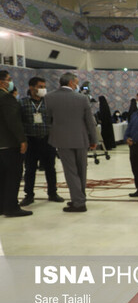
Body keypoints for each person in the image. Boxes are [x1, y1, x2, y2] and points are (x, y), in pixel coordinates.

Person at [46, 72, 98, 213]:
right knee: (81, 170)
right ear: (71, 83)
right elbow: (90, 122)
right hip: (81, 139)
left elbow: (48, 119)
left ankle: (78, 200)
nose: (77, 85)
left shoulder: (49, 97)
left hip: (61, 140)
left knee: (70, 172)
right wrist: (94, 140)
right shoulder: (82, 98)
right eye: (76, 82)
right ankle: (79, 199)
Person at [18, 77, 64, 207]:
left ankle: (53, 193)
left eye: (44, 86)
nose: (43, 89)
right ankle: (29, 195)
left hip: (47, 139)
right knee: (30, 169)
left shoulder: (49, 102)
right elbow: (19, 123)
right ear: (31, 87)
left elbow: (55, 120)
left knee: (50, 168)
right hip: (30, 141)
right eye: (40, 86)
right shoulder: (22, 103)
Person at [0, 70, 31, 217]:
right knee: (13, 176)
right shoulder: (6, 98)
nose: (11, 82)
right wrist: (22, 140)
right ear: (2, 82)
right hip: (9, 144)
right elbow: (13, 121)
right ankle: (11, 207)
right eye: (9, 79)